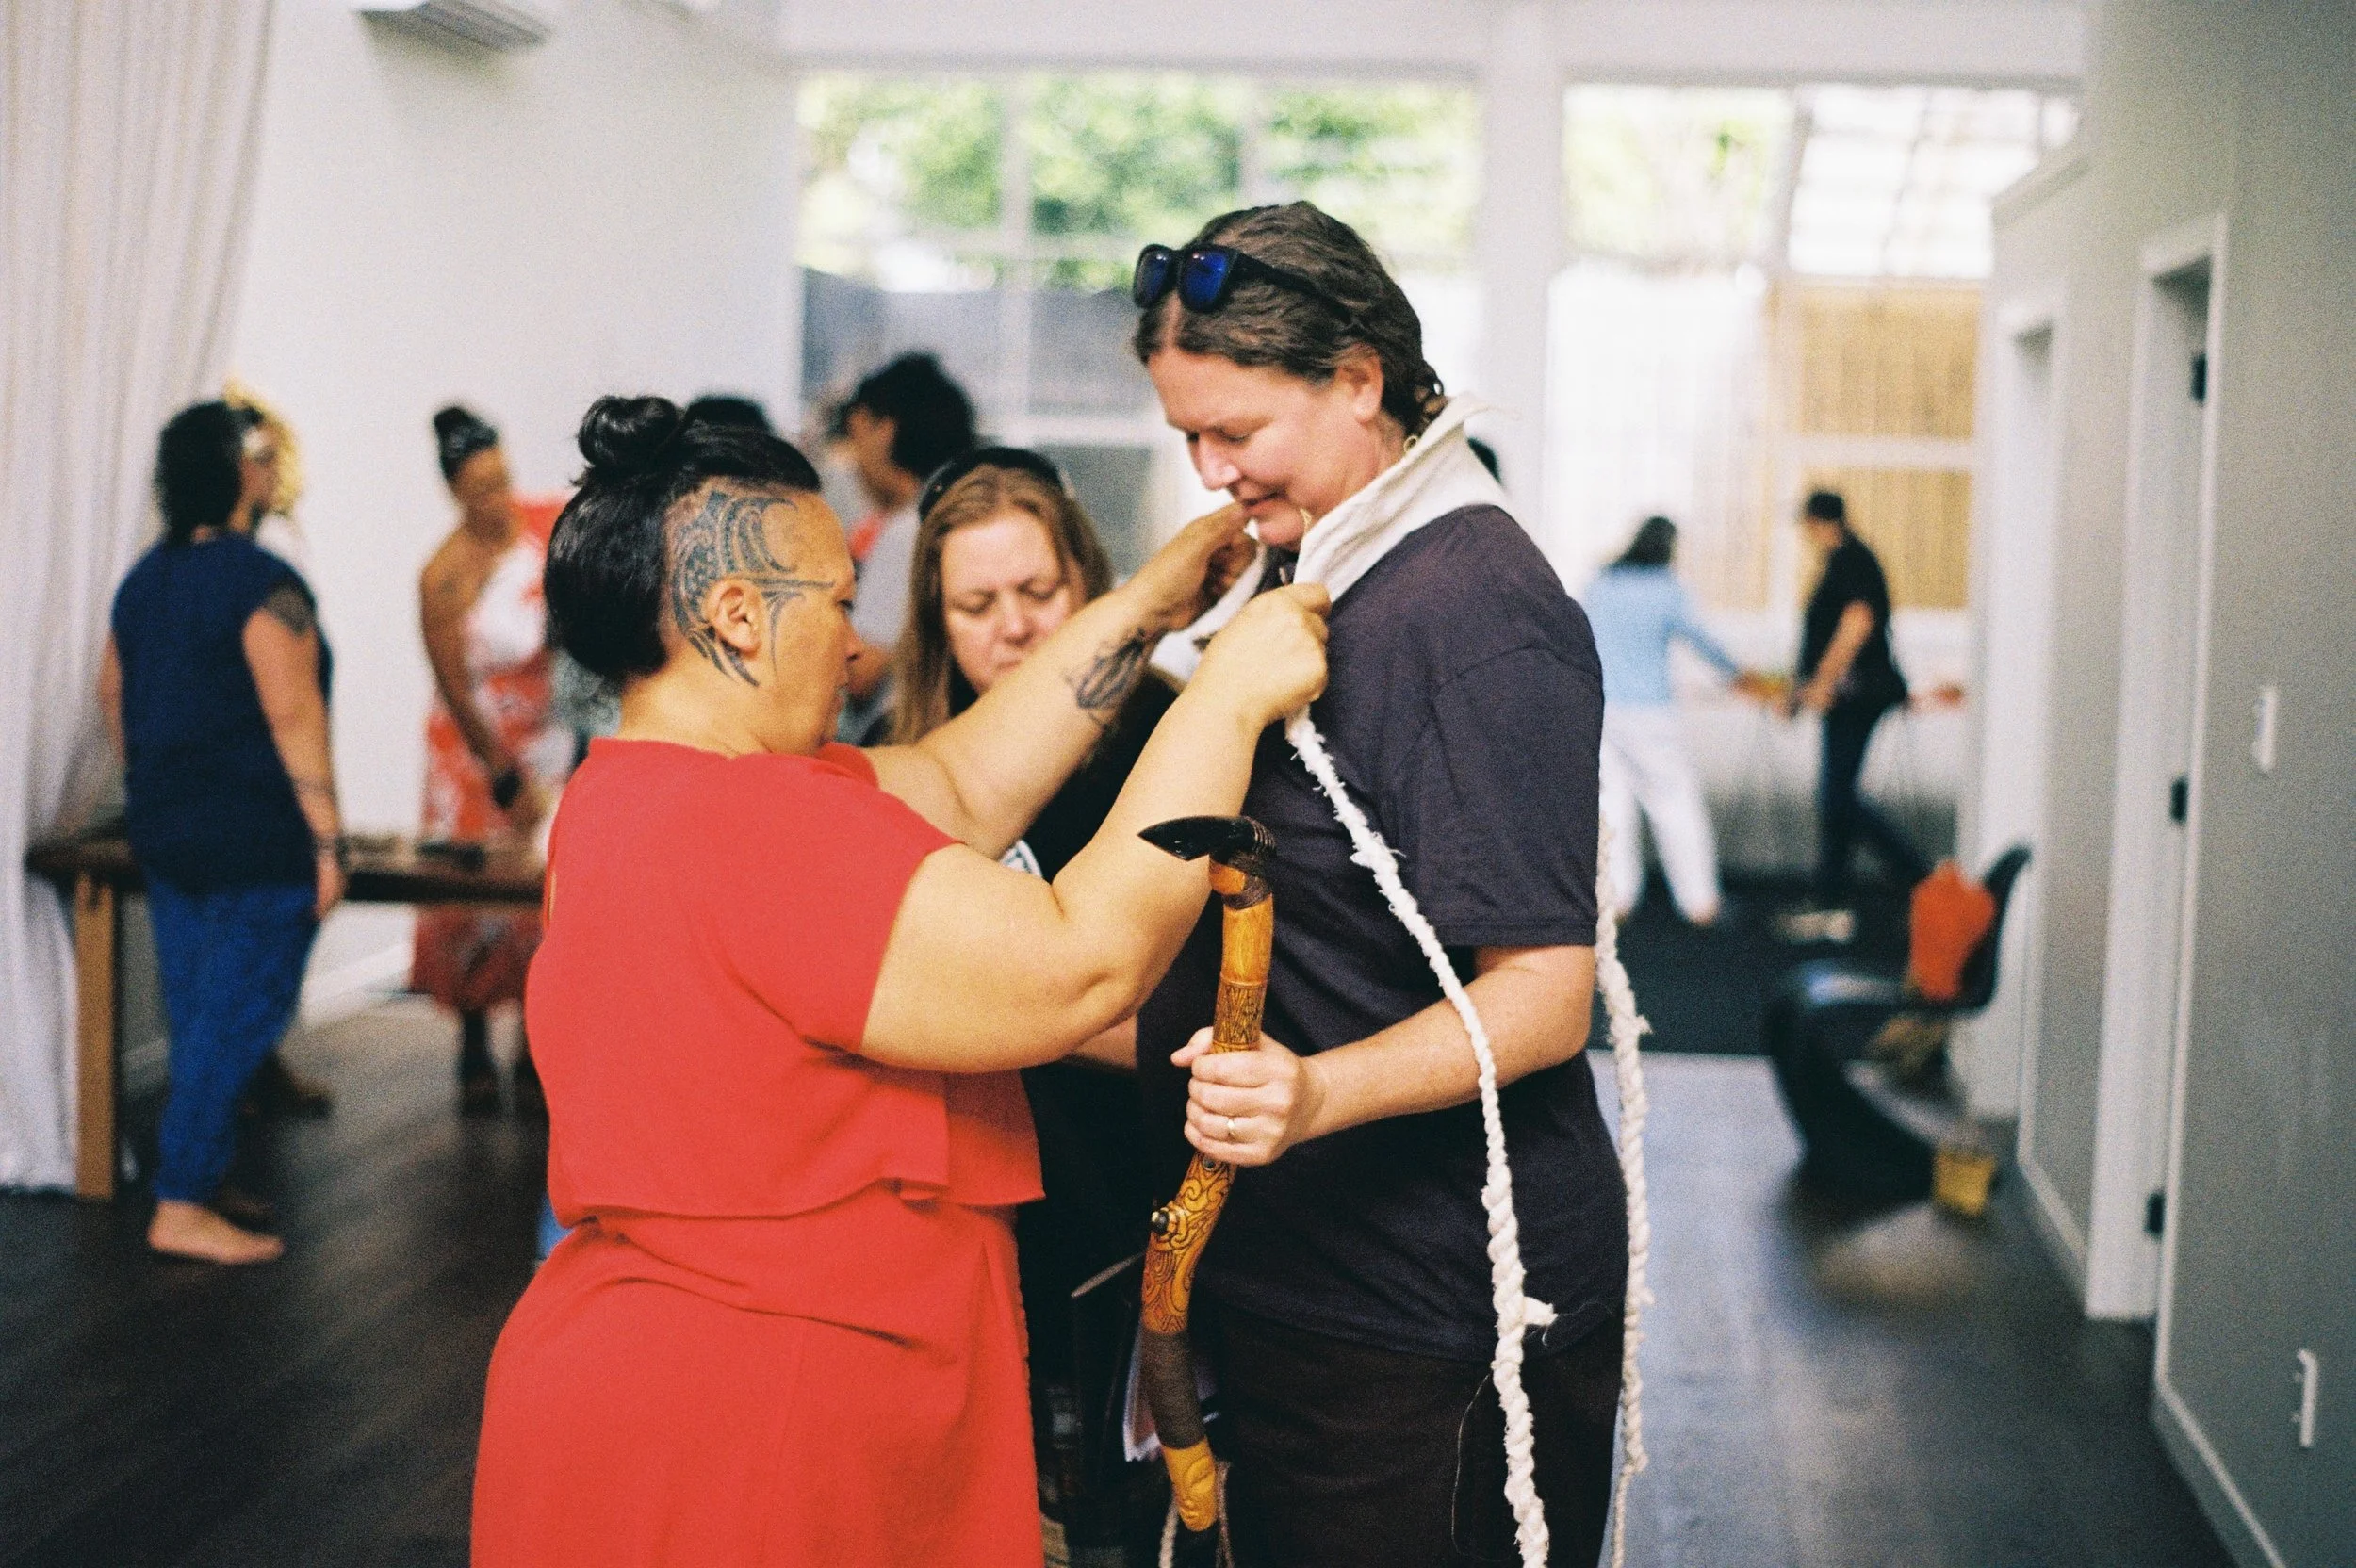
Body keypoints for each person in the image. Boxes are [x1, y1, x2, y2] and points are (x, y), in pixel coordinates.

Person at [469, 395, 1327, 1567]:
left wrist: (1145, 606)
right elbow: (1081, 961)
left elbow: (962, 779)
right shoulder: (755, 829)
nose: (858, 641)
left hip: (675, 1389)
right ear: (736, 616)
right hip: (754, 1426)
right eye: (829, 605)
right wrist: (1228, 696)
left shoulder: (634, 791)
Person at [1129, 203, 1625, 1568]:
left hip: (1435, 1300)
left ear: (1358, 379)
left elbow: (1544, 997)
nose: (1211, 470)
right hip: (1317, 1272)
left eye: (1236, 433)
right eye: (1188, 437)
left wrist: (1316, 1092)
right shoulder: (1320, 563)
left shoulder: (1473, 606)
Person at [889, 447, 1175, 1519]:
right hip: (970, 1204)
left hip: (1145, 1187)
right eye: (976, 602)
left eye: (1038, 592)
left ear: (1090, 585)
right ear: (936, 618)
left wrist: (1004, 1006)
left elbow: (1202, 1015)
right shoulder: (904, 758)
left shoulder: (1166, 736)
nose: (1011, 624)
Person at [99, 401, 345, 1266]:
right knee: (237, 1020)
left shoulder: (142, 581)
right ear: (238, 474)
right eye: (262, 455)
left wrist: (158, 785)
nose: (273, 468)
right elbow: (294, 712)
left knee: (202, 1012)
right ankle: (180, 1203)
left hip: (169, 833)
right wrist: (327, 840)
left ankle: (198, 1180)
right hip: (253, 837)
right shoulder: (265, 584)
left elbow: (114, 700)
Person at [414, 405, 573, 1112]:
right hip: (474, 749)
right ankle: (473, 1039)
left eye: (502, 478)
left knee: (545, 896)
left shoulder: (545, 529)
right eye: (479, 487)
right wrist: (501, 773)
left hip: (547, 732)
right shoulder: (444, 576)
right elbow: (451, 684)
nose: (496, 497)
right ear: (453, 490)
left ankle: (538, 1044)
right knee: (472, 897)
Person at [221, 378, 336, 1117]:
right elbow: (290, 707)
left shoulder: (272, 551)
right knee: (248, 951)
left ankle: (255, 1061)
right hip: (254, 785)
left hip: (270, 776)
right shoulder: (251, 572)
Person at [1582, 514, 1760, 926]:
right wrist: (1740, 676)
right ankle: (1699, 903)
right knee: (1675, 805)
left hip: (1602, 710)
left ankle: (1617, 900)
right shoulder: (1667, 588)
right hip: (1651, 716)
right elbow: (1702, 638)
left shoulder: (1600, 584)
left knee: (1612, 807)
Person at [1776, 489, 1930, 942]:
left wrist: (1820, 682)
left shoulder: (1852, 560)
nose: (1805, 534)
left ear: (1821, 522)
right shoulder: (1842, 561)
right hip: (1850, 695)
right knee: (1836, 797)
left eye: (1807, 524)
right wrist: (1802, 689)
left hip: (1860, 694)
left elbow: (1858, 622)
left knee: (1839, 797)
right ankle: (1832, 899)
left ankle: (1917, 880)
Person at [829, 352, 977, 742]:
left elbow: (858, 670)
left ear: (883, 431)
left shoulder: (908, 533)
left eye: (855, 436)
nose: (851, 461)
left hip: (898, 740)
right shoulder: (951, 518)